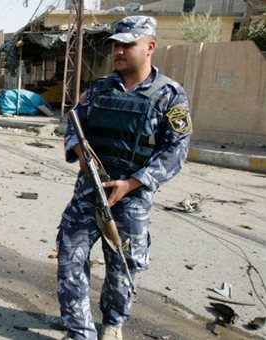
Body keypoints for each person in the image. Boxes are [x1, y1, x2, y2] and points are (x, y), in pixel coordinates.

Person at [56, 16, 192, 340]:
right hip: (91, 191)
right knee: (69, 256)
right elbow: (72, 129)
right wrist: (80, 155)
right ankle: (80, 331)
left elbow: (177, 150)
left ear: (150, 47)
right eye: (116, 44)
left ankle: (113, 321)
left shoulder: (170, 96)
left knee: (122, 269)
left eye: (127, 44)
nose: (119, 50)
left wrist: (132, 183)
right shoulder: (100, 89)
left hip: (132, 198)